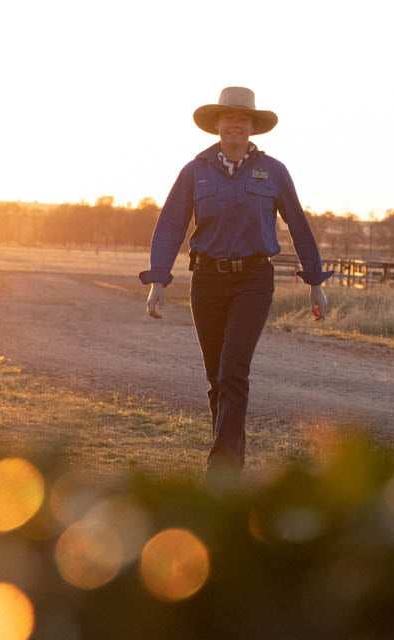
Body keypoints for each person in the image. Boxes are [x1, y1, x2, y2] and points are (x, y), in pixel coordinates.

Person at [142, 86, 332, 473]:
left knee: (233, 371)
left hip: (253, 280)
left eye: (243, 119)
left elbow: (298, 223)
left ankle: (222, 474)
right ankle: (230, 463)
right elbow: (170, 225)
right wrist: (158, 280)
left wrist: (316, 281)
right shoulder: (195, 171)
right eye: (228, 118)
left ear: (252, 127)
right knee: (217, 378)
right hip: (207, 280)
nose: (235, 125)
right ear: (217, 124)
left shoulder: (273, 172)